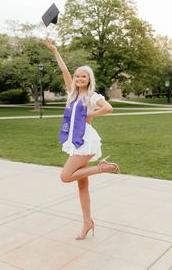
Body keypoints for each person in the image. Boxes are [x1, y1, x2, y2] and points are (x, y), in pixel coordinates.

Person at [44, 38, 119, 240]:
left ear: (89, 79)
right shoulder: (71, 93)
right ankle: (87, 222)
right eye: (77, 76)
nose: (78, 78)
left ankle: (102, 168)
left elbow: (109, 108)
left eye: (83, 76)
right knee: (81, 184)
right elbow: (64, 71)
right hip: (76, 140)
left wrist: (91, 114)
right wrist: (54, 51)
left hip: (84, 142)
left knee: (65, 176)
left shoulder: (91, 96)